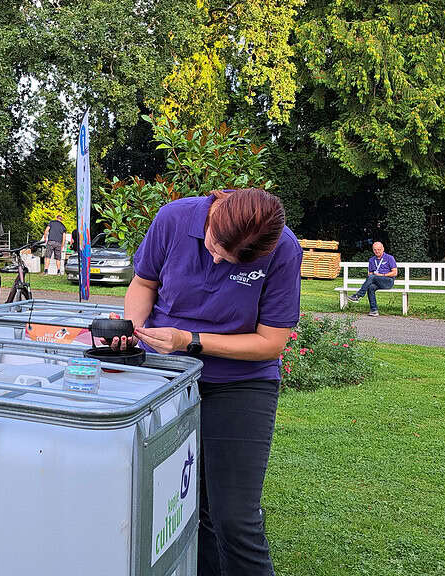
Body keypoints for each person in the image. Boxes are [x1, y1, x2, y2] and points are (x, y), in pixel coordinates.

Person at [109, 188, 301, 576]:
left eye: (228, 261)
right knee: (184, 506)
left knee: (234, 516)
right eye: (214, 246)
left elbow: (271, 342)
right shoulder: (174, 219)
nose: (214, 259)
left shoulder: (283, 249)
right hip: (169, 379)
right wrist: (135, 328)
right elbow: (144, 284)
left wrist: (190, 340)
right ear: (214, 215)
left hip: (240, 383)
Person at [347, 241, 397, 316]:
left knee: (372, 277)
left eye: (379, 249)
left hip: (388, 281)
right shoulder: (371, 260)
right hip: (376, 281)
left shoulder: (389, 258)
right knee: (370, 287)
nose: (377, 251)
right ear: (373, 250)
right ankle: (374, 310)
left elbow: (395, 272)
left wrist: (382, 275)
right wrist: (374, 277)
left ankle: (358, 295)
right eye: (375, 250)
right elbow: (370, 274)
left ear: (383, 249)